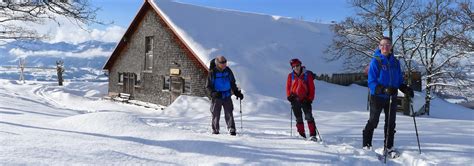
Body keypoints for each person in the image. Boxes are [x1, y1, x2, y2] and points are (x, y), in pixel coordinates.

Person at [363, 37, 414, 156]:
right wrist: (384, 89)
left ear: (391, 47)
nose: (385, 47)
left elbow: (399, 80)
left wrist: (404, 88)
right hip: (378, 97)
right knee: (373, 121)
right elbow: (371, 82)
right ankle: (367, 145)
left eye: (388, 45)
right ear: (379, 46)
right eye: (382, 45)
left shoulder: (395, 62)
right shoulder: (376, 61)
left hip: (392, 97)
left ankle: (389, 147)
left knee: (391, 123)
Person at [207, 55, 244, 136]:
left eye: (225, 62)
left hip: (227, 95)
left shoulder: (228, 70)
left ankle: (231, 129)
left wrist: (236, 92)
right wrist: (213, 93)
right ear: (217, 63)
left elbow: (232, 82)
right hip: (217, 96)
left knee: (229, 113)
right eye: (222, 62)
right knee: (216, 114)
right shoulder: (212, 72)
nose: (224, 64)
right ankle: (215, 130)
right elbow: (208, 86)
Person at [286, 58, 318, 141]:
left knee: (309, 117)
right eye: (294, 67)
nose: (296, 68)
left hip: (305, 100)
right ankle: (302, 135)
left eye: (297, 65)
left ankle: (313, 135)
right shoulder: (290, 76)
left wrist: (310, 99)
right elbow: (288, 88)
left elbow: (312, 88)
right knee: (299, 118)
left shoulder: (307, 75)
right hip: (295, 100)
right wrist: (289, 96)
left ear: (300, 65)